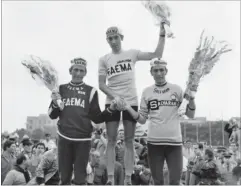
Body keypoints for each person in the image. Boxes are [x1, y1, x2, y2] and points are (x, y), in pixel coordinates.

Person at [98, 20, 168, 185]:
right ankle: (110, 179)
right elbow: (101, 84)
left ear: (121, 37)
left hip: (131, 100)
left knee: (129, 140)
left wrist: (162, 33)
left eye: (116, 37)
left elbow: (156, 54)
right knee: (111, 140)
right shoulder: (104, 59)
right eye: (110, 38)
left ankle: (128, 178)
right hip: (112, 100)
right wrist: (115, 98)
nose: (113, 41)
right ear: (107, 41)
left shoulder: (132, 53)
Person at [122, 58, 196, 185]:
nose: (159, 73)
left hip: (174, 143)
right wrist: (128, 108)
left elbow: (190, 114)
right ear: (151, 72)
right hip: (154, 143)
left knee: (175, 181)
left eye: (161, 70)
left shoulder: (176, 89)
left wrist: (192, 98)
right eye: (155, 70)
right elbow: (142, 119)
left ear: (166, 71)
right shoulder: (147, 92)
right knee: (157, 181)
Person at [48, 57, 117, 185]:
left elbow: (96, 117)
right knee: (64, 178)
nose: (78, 73)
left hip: (83, 140)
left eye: (81, 70)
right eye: (75, 70)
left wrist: (110, 110)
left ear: (85, 73)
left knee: (80, 179)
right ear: (70, 71)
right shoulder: (60, 89)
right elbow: (52, 115)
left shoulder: (91, 91)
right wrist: (55, 103)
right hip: (64, 137)